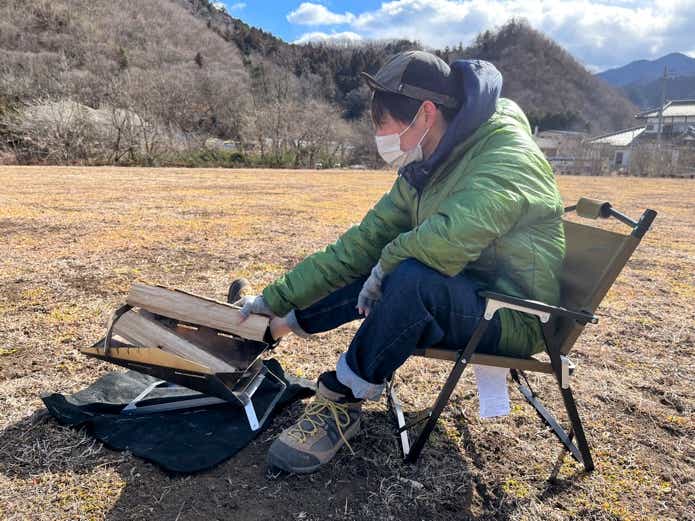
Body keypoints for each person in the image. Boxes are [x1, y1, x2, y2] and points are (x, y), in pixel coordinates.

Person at [235, 50, 565, 475]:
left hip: (516, 313)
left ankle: (342, 400)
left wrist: (385, 265)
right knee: (380, 265)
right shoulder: (429, 162)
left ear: (425, 113)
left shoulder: (506, 156)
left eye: (383, 125)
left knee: (407, 275)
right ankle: (272, 326)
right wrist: (275, 297)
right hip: (468, 288)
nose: (380, 138)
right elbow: (362, 243)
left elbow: (448, 240)